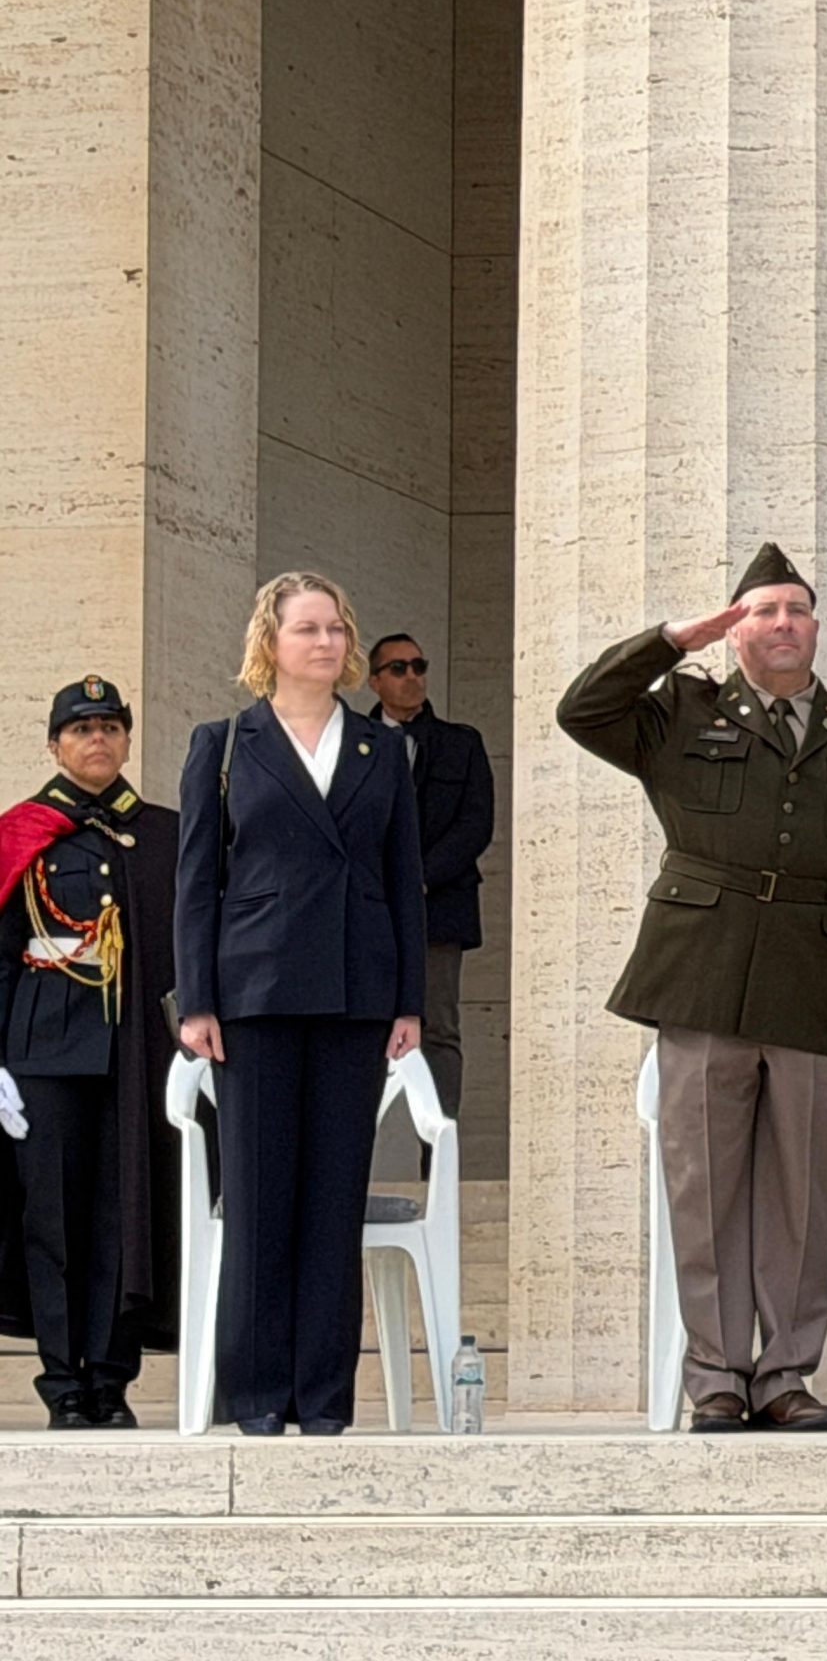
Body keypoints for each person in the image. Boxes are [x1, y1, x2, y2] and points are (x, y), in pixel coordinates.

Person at [556, 542, 827, 1434]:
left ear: (817, 627)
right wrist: (673, 639)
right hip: (700, 974)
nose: (782, 624)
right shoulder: (679, 713)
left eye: (795, 609)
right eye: (762, 611)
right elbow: (581, 709)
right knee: (704, 1186)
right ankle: (717, 1376)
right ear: (735, 628)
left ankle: (787, 1375)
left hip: (816, 979)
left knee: (802, 1191)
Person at [174, 572, 427, 1436]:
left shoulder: (379, 749)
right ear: (270, 644)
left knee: (332, 1201)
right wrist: (197, 999)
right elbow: (197, 882)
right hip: (254, 994)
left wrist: (408, 1002)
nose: (325, 643)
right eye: (307, 629)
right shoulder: (225, 743)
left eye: (336, 630)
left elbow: (405, 883)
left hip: (356, 994)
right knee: (256, 1199)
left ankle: (324, 1398)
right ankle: (256, 1396)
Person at [0, 678, 182, 1427]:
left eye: (110, 727)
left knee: (122, 1218)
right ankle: (62, 1382)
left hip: (138, 1052)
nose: (97, 740)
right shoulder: (23, 832)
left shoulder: (165, 834)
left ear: (128, 740)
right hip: (45, 1050)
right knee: (53, 1220)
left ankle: (111, 1378)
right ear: (54, 744)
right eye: (81, 730)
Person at [365, 634, 494, 1131]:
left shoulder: (462, 743)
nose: (412, 676)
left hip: (438, 907)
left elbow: (476, 825)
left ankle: (438, 1157)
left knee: (438, 1029)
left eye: (419, 665)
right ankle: (347, 1164)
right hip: (366, 908)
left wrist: (417, 880)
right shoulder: (351, 739)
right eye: (398, 668)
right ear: (375, 680)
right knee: (359, 1028)